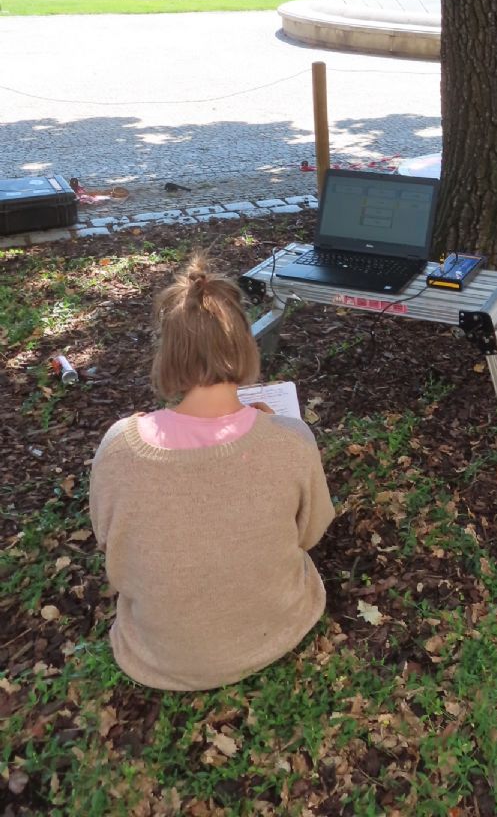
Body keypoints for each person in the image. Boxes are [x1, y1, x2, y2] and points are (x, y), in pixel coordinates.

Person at [89, 253, 335, 691]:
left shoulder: (120, 447)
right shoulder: (292, 439)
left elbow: (112, 545)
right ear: (245, 345)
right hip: (276, 630)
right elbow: (311, 533)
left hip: (157, 652)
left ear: (166, 354)